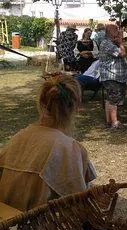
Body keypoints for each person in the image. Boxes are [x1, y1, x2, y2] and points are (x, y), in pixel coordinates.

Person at [0, 75, 96, 211]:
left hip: (8, 223)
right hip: (42, 226)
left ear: (42, 104)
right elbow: (79, 202)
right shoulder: (69, 148)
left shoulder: (18, 138)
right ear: (74, 107)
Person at [99, 24, 127, 130]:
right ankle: (114, 123)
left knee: (110, 99)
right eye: (116, 29)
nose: (118, 31)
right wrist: (121, 43)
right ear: (110, 31)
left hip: (114, 75)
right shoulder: (106, 43)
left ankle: (109, 122)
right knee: (113, 99)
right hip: (111, 75)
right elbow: (122, 53)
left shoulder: (111, 42)